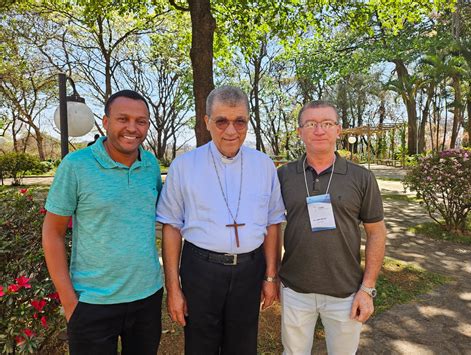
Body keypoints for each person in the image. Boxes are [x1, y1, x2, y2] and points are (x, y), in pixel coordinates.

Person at [156, 86, 285, 354]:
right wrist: (173, 287)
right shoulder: (185, 166)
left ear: (248, 121)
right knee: (200, 346)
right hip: (200, 270)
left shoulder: (264, 165)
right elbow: (171, 226)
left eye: (240, 121)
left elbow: (273, 223)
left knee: (243, 346)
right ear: (206, 122)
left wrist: (271, 277)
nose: (231, 130)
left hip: (250, 271)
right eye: (221, 121)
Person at [42, 90, 164, 355]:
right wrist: (69, 301)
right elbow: (53, 232)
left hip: (147, 298)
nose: (132, 128)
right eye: (123, 119)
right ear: (106, 122)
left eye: (141, 121)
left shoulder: (151, 165)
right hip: (92, 302)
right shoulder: (75, 166)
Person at [278, 101, 386, 355]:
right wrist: (271, 278)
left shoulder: (361, 178)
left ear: (338, 130)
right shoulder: (283, 176)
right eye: (311, 124)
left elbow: (376, 232)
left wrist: (367, 289)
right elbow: (270, 228)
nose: (319, 130)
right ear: (299, 132)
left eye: (327, 123)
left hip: (345, 291)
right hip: (295, 289)